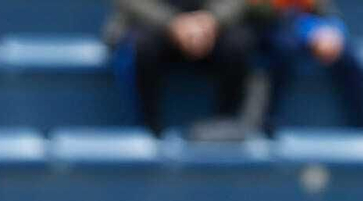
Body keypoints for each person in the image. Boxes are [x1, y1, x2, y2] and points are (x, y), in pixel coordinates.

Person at [106, 0, 264, 137]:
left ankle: (224, 125)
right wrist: (172, 23)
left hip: (213, 27)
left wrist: (211, 21)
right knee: (141, 46)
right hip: (153, 23)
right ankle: (147, 128)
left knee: (239, 44)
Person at [250, 0, 363, 130]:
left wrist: (331, 32)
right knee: (282, 50)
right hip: (270, 28)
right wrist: (306, 31)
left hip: (308, 27)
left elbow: (327, 12)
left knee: (348, 57)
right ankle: (267, 120)